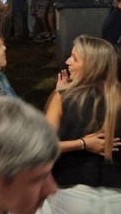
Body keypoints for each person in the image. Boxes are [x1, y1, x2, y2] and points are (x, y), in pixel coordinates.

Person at [45, 35, 121, 210]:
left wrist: (82, 144)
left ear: (93, 65)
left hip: (71, 193)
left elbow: (42, 147)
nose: (67, 61)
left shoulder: (63, 99)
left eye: (74, 58)